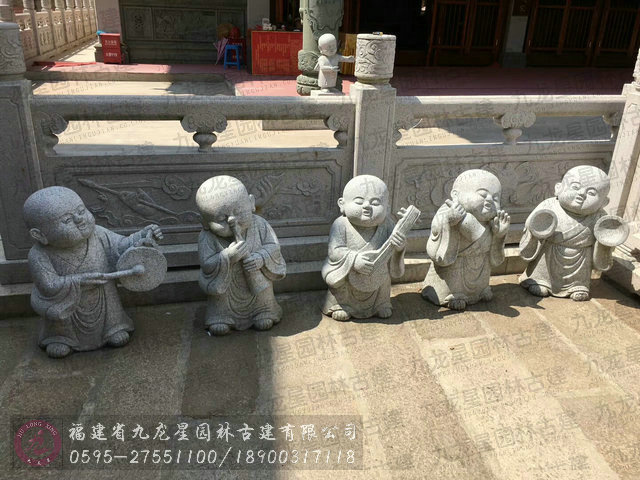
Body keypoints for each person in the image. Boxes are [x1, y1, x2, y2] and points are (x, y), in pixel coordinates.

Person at [24, 186, 163, 358]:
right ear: (39, 235)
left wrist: (142, 236)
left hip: (104, 294)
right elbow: (47, 286)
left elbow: (121, 246)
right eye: (67, 220)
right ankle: (62, 338)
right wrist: (78, 281)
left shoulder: (99, 234)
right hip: (67, 302)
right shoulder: (38, 254)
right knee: (61, 319)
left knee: (113, 325)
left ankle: (113, 328)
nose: (79, 220)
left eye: (81, 211)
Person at [196, 176, 286, 335]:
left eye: (238, 211)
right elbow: (207, 264)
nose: (232, 220)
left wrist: (260, 258)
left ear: (251, 203)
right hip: (227, 285)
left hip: (256, 279)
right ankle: (221, 317)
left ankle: (264, 311)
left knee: (262, 300)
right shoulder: (207, 237)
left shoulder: (260, 224)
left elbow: (273, 246)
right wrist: (227, 257)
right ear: (205, 222)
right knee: (221, 302)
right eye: (221, 219)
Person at [519, 165, 619, 301]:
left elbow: (605, 240)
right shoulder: (550, 205)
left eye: (591, 193)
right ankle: (540, 281)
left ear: (604, 202)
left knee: (579, 279)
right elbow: (533, 224)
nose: (582, 194)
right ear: (558, 188)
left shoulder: (599, 217)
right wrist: (536, 231)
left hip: (581, 258)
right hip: (549, 253)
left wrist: (605, 242)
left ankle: (577, 286)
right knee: (543, 272)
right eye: (576, 187)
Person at [422, 169, 510, 310]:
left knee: (482, 284)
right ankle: (451, 294)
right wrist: (449, 223)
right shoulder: (447, 213)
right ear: (456, 195)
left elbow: (496, 259)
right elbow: (438, 255)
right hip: (453, 272)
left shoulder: (492, 221)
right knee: (453, 280)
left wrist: (499, 235)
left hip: (480, 269)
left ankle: (479, 291)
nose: (489, 200)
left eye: (495, 198)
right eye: (482, 194)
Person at [322, 175, 406, 320]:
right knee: (342, 280)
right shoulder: (340, 224)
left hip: (376, 275)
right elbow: (334, 251)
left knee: (383, 277)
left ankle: (381, 304)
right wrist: (354, 260)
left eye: (375, 202)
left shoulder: (387, 224)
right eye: (359, 201)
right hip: (348, 270)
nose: (367, 206)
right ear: (342, 204)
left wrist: (400, 247)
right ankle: (342, 305)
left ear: (387, 208)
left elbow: (392, 250)